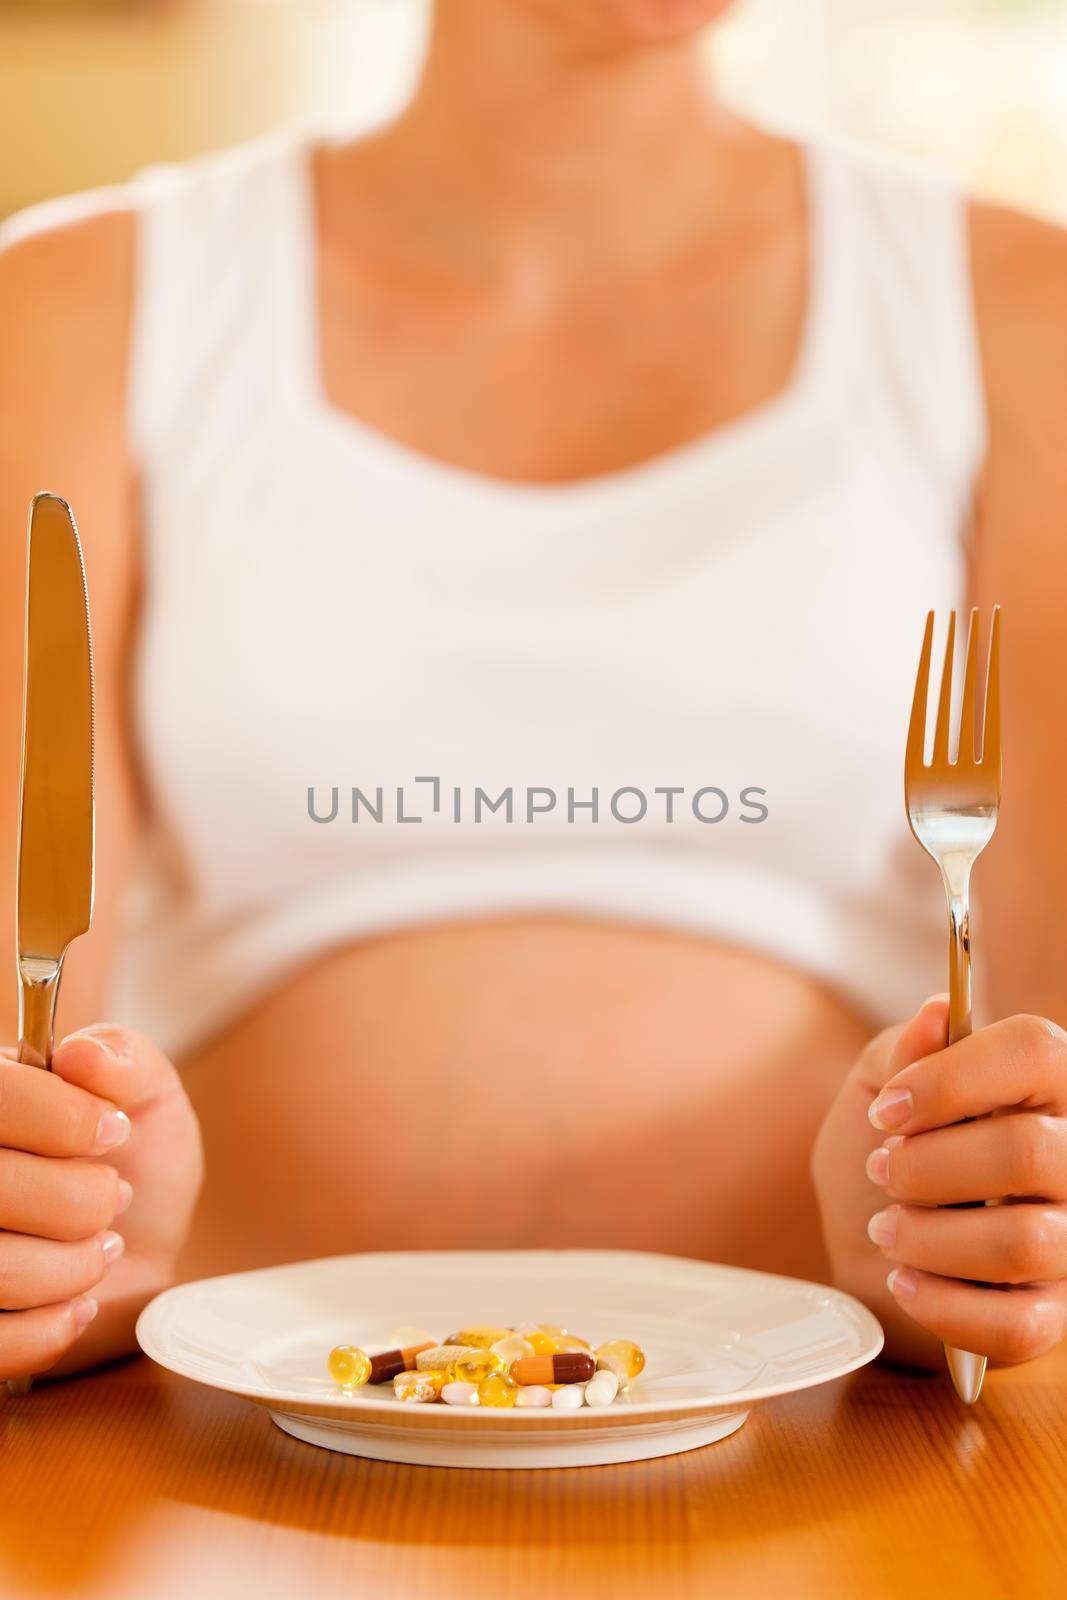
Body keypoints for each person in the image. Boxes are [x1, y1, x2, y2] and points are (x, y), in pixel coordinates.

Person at [1, 0, 1066, 1387]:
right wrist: (48, 1257)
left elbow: (1048, 1039)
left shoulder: (1024, 318)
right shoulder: (66, 312)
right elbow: (20, 1042)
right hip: (207, 1443)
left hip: (864, 1450)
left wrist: (980, 1240)